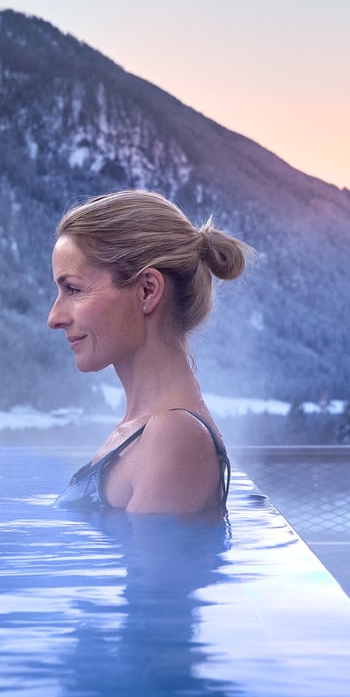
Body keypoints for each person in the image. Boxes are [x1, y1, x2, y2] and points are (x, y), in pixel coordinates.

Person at [48, 189, 250, 514]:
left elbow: (155, 565)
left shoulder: (174, 438)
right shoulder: (140, 430)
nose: (54, 317)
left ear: (147, 291)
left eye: (73, 289)